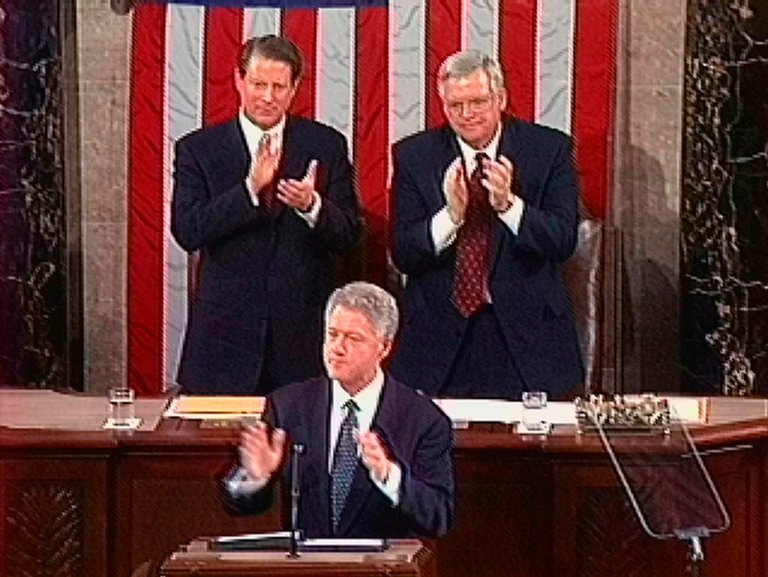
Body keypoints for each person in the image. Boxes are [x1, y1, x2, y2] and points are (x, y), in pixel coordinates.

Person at [389, 49, 584, 400]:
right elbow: (404, 252)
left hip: (526, 340)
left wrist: (508, 206)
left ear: (501, 98)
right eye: (455, 105)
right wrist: (451, 217)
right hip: (439, 343)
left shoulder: (548, 150)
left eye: (477, 102)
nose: (467, 115)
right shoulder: (414, 156)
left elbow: (563, 240)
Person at [171, 36, 361, 395]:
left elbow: (350, 234)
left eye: (278, 87)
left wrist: (313, 207)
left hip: (301, 345)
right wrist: (248, 191)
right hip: (224, 344)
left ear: (295, 89)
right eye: (259, 85)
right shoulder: (198, 149)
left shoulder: (325, 145)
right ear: (239, 80)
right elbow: (187, 230)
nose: (268, 97)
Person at [222, 281, 454, 539]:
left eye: (353, 338)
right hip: (308, 568)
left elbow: (438, 517)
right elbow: (237, 504)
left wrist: (389, 476)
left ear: (384, 348)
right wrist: (255, 478)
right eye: (332, 334)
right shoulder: (288, 406)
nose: (337, 348)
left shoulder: (423, 420)